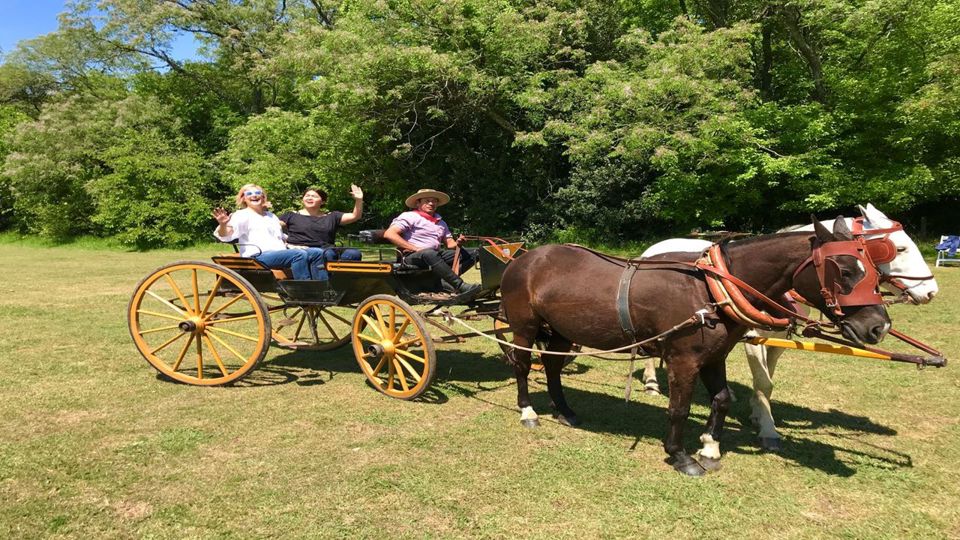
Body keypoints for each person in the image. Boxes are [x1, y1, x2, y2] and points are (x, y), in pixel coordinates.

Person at [212, 184, 323, 280]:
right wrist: (223, 224)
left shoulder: (271, 216)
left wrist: (294, 246)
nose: (254, 195)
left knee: (317, 252)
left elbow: (279, 238)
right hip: (257, 256)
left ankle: (322, 289)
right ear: (243, 199)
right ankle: (305, 291)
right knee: (298, 255)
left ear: (263, 197)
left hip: (279, 253)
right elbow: (226, 235)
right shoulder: (241, 215)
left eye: (257, 192)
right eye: (249, 193)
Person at [383, 188, 481, 297]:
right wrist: (416, 249)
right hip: (411, 256)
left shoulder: (441, 222)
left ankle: (446, 281)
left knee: (477, 252)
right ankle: (459, 285)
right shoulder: (409, 216)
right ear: (418, 203)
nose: (431, 203)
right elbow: (389, 234)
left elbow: (450, 244)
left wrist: (458, 242)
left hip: (434, 255)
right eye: (427, 200)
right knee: (428, 253)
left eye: (434, 201)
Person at [280, 185, 364, 280]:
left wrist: (359, 200)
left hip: (328, 249)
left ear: (323, 201)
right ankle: (323, 285)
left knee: (354, 253)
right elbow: (272, 228)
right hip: (305, 250)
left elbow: (355, 216)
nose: (310, 198)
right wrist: (287, 244)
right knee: (327, 254)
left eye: (314, 196)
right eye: (307, 195)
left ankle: (342, 283)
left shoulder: (332, 216)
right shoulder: (291, 215)